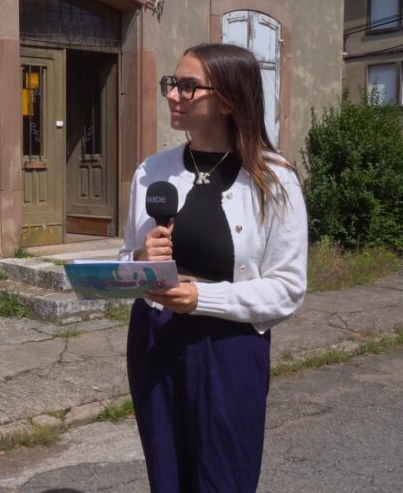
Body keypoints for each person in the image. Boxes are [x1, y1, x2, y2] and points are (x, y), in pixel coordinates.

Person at [120, 43, 308, 492]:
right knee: (167, 477)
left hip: (229, 349)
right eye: (173, 84)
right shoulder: (152, 170)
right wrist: (141, 261)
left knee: (224, 477)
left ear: (226, 99)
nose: (173, 95)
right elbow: (128, 260)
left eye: (188, 87)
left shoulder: (274, 179)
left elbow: (288, 289)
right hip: (155, 339)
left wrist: (202, 298)